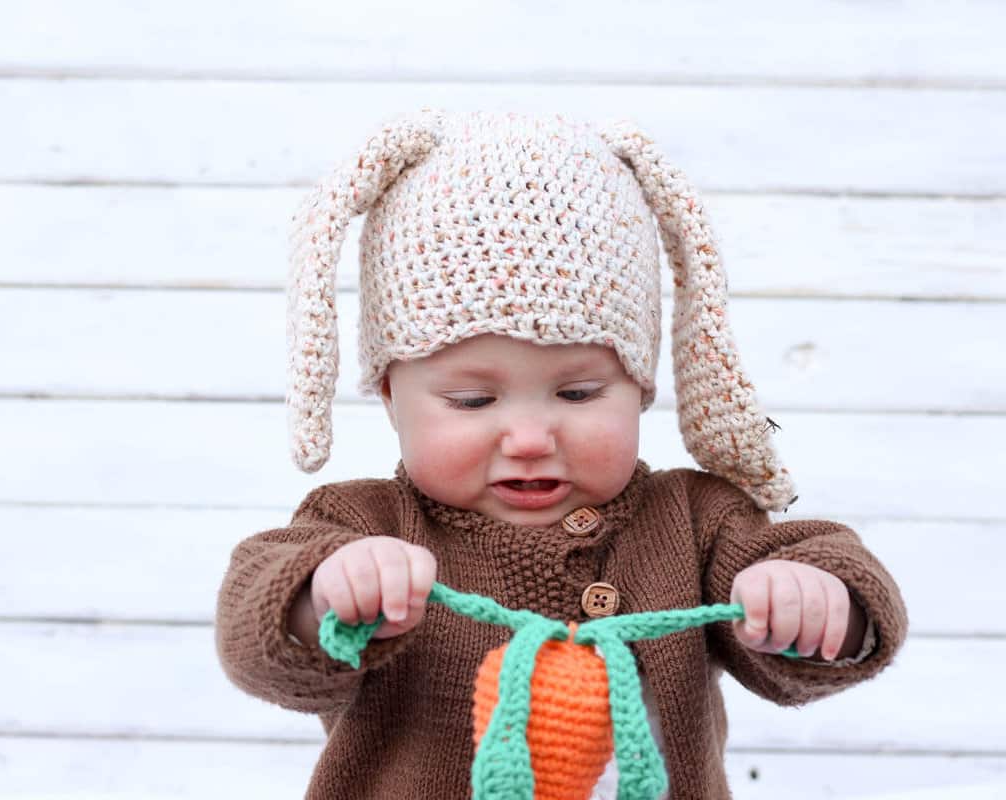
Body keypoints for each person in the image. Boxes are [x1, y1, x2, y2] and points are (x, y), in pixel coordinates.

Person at [215, 109, 908, 799]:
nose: (528, 438)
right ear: (393, 397)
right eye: (472, 401)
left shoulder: (697, 523)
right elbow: (256, 635)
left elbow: (828, 593)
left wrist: (818, 603)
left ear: (638, 387)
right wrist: (324, 596)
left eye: (577, 394)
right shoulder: (364, 523)